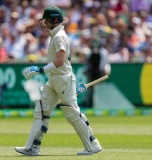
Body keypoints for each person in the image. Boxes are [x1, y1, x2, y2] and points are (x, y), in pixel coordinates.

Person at [15, 6, 102, 156]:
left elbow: (60, 61)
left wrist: (40, 70)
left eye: (47, 20)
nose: (44, 23)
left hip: (63, 78)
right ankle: (33, 147)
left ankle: (93, 144)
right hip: (54, 79)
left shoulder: (59, 36)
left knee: (72, 113)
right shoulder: (55, 35)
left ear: (55, 19)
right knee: (41, 112)